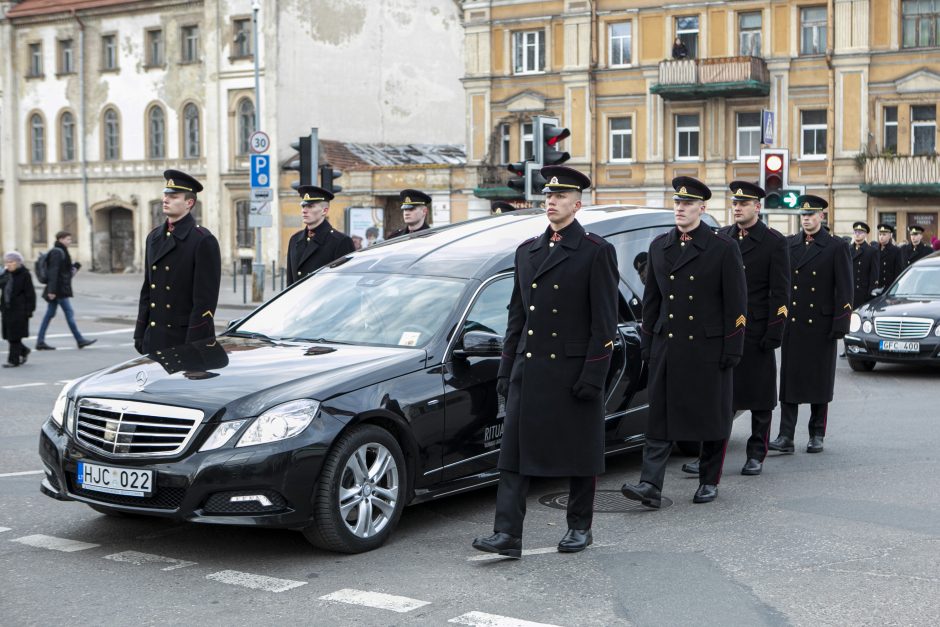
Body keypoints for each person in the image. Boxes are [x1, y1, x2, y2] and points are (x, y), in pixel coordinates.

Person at [471, 165, 618, 558]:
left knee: (579, 453)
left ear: (577, 203)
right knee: (513, 458)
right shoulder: (527, 251)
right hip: (530, 370)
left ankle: (579, 526)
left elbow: (605, 322)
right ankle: (507, 535)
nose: (551, 202)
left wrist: (594, 374)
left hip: (572, 372)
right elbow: (516, 317)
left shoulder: (595, 251)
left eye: (560, 197)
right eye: (548, 196)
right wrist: (506, 368)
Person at [620, 177, 746, 507]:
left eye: (688, 204)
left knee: (712, 416)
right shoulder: (660, 246)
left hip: (708, 347)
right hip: (669, 345)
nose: (680, 208)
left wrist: (732, 347)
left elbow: (736, 304)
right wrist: (648, 345)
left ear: (702, 209)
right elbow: (652, 301)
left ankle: (708, 479)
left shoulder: (722, 247)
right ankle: (650, 484)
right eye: (677, 202)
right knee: (660, 417)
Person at [682, 181, 790, 477]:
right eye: (735, 203)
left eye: (744, 204)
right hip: (724, 332)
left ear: (757, 207)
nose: (738, 208)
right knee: (720, 399)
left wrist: (774, 332)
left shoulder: (773, 241)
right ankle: (709, 457)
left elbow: (780, 293)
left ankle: (756, 453)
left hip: (756, 332)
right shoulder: (722, 238)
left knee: (760, 397)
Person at [769, 195, 852, 455]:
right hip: (793, 323)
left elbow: (845, 289)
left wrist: (841, 323)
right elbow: (780, 285)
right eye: (803, 215)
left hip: (821, 325)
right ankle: (785, 435)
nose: (806, 219)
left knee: (819, 383)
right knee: (789, 382)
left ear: (822, 217)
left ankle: (816, 434)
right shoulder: (789, 244)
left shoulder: (835, 246)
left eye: (811, 214)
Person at [134, 169, 221, 355]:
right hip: (154, 337)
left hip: (184, 339)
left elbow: (204, 302)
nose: (165, 200)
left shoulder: (202, 240)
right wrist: (140, 332)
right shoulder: (154, 237)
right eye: (165, 195)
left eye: (173, 197)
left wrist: (195, 344)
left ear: (189, 203)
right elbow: (147, 290)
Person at [34, 231, 96, 351]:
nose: (70, 241)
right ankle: (79, 340)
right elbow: (54, 272)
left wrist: (75, 267)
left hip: (59, 289)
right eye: (68, 239)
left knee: (50, 315)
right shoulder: (57, 252)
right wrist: (51, 291)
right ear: (61, 239)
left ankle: (40, 341)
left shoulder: (61, 251)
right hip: (58, 290)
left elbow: (64, 273)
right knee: (68, 313)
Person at [285, 185, 355, 286]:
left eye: (310, 206)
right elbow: (290, 283)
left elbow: (346, 284)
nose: (304, 210)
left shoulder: (340, 241)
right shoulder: (295, 239)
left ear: (324, 211)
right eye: (303, 206)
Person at [1, 252, 36, 367]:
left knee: (14, 336)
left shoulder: (25, 274)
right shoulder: (6, 274)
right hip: (7, 309)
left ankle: (13, 360)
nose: (9, 264)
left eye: (11, 262)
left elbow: (30, 293)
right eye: (7, 262)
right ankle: (24, 350)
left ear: (18, 262)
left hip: (20, 309)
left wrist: (29, 310)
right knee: (9, 336)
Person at [850, 221, 879, 307]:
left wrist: (870, 294)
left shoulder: (872, 251)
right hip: (849, 292)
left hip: (863, 293)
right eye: (855, 232)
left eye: (860, 232)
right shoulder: (848, 249)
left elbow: (874, 275)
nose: (857, 234)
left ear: (866, 234)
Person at [875, 224, 904, 289]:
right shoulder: (874, 250)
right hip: (876, 287)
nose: (881, 237)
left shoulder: (896, 251)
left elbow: (898, 272)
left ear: (890, 236)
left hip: (889, 287)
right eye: (880, 234)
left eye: (884, 234)